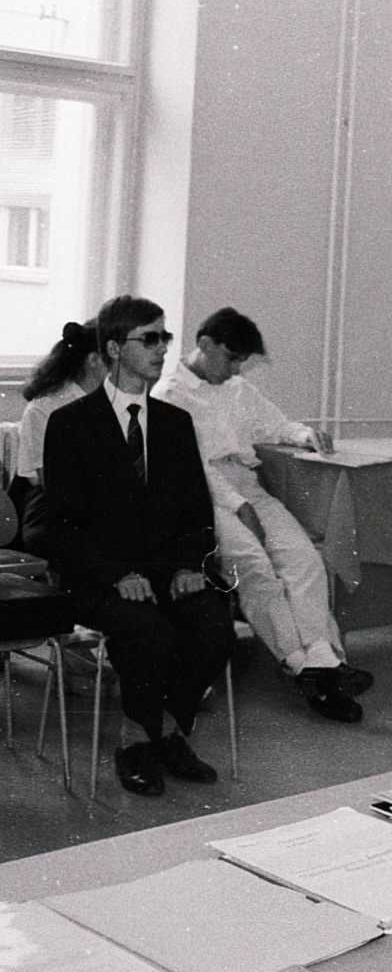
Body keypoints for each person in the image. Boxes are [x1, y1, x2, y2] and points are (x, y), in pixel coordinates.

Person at [42, 295, 237, 798]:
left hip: (165, 572)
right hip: (99, 578)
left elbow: (197, 513)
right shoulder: (69, 425)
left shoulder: (175, 424)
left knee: (215, 629)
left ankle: (167, 730)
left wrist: (189, 565)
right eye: (148, 338)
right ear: (112, 348)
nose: (161, 348)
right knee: (148, 633)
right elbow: (59, 526)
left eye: (164, 337)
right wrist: (115, 574)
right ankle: (135, 742)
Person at [153, 307, 372, 722]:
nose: (236, 368)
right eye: (232, 357)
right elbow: (193, 468)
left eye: (241, 361)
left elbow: (275, 425)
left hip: (245, 482)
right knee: (255, 567)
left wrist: (306, 435)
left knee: (305, 559)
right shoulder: (169, 395)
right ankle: (301, 662)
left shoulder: (237, 388)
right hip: (202, 495)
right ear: (204, 344)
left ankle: (322, 661)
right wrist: (240, 507)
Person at [9, 319, 105, 553]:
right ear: (94, 360)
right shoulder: (46, 407)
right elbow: (46, 479)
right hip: (52, 504)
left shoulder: (118, 402)